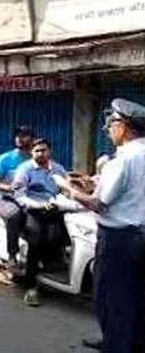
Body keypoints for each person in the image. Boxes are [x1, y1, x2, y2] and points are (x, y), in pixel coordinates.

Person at [60, 99, 145, 353]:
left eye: (111, 123)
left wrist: (68, 188)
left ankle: (115, 344)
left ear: (125, 126)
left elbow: (98, 203)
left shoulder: (124, 158)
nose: (108, 129)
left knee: (111, 296)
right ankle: (134, 342)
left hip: (120, 238)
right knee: (138, 294)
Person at [12, 138, 67, 307]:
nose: (40, 154)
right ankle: (31, 287)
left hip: (56, 208)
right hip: (33, 209)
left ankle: (53, 270)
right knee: (36, 242)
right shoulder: (25, 169)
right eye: (37, 151)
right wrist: (39, 205)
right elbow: (20, 195)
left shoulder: (58, 169)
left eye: (43, 150)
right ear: (31, 153)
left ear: (50, 151)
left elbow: (66, 189)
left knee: (64, 237)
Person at [0, 125, 34, 272]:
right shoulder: (6, 159)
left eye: (24, 135)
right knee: (15, 215)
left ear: (32, 139)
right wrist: (9, 188)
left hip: (29, 199)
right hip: (5, 200)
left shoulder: (37, 159)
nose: (20, 138)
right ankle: (12, 256)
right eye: (18, 135)